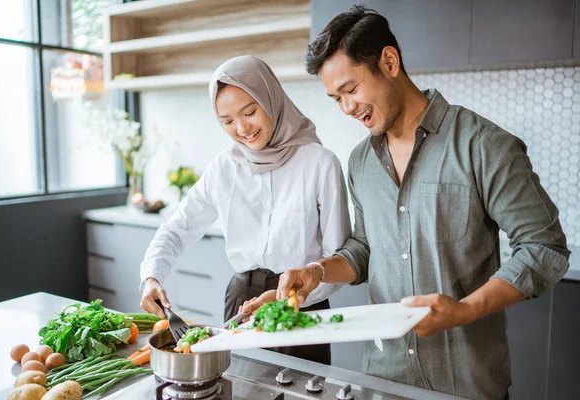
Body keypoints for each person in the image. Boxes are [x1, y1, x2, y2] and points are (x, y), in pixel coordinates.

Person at [266, 5, 570, 399]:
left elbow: (544, 248)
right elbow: (364, 249)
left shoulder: (482, 145)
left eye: (351, 89)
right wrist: (317, 271)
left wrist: (465, 310)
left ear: (389, 62)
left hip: (466, 383)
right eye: (335, 99)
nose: (347, 108)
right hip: (383, 378)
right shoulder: (360, 161)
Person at [138, 55, 351, 365]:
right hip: (243, 302)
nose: (242, 128)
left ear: (271, 99)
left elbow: (339, 259)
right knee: (238, 388)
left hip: (301, 307)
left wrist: (291, 296)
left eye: (250, 112)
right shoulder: (224, 169)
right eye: (227, 121)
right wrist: (151, 277)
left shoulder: (320, 164)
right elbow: (176, 229)